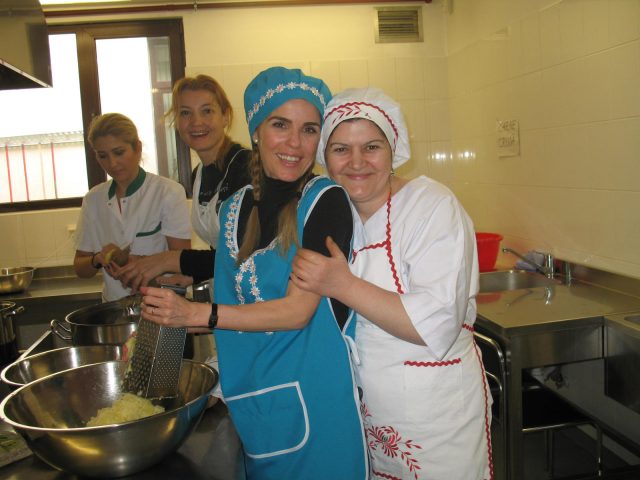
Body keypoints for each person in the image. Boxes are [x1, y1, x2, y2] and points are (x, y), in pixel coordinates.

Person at [139, 67, 369, 479]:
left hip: (317, 407)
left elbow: (297, 312)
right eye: (280, 125)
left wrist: (199, 314)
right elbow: (235, 306)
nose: (295, 143)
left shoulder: (324, 201)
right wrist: (171, 321)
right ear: (256, 131)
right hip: (256, 408)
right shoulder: (234, 209)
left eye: (309, 129)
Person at [291, 87, 494, 480]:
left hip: (436, 416)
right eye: (341, 149)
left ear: (392, 150)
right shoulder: (336, 212)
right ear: (325, 158)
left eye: (371, 147)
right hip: (366, 413)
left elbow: (435, 323)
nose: (356, 162)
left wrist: (342, 285)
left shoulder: (432, 206)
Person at [113, 75, 251, 291]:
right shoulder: (199, 175)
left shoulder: (246, 168)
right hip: (228, 292)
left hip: (259, 297)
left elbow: (247, 255)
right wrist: (193, 275)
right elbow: (220, 251)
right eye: (186, 113)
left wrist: (169, 260)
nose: (196, 122)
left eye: (207, 111)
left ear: (225, 116)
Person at [74, 113, 191, 302]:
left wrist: (140, 265)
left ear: (137, 148)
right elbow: (80, 268)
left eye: (119, 152)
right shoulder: (93, 199)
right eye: (103, 156)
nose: (112, 163)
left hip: (162, 305)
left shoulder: (168, 192)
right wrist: (97, 259)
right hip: (114, 308)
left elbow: (183, 262)